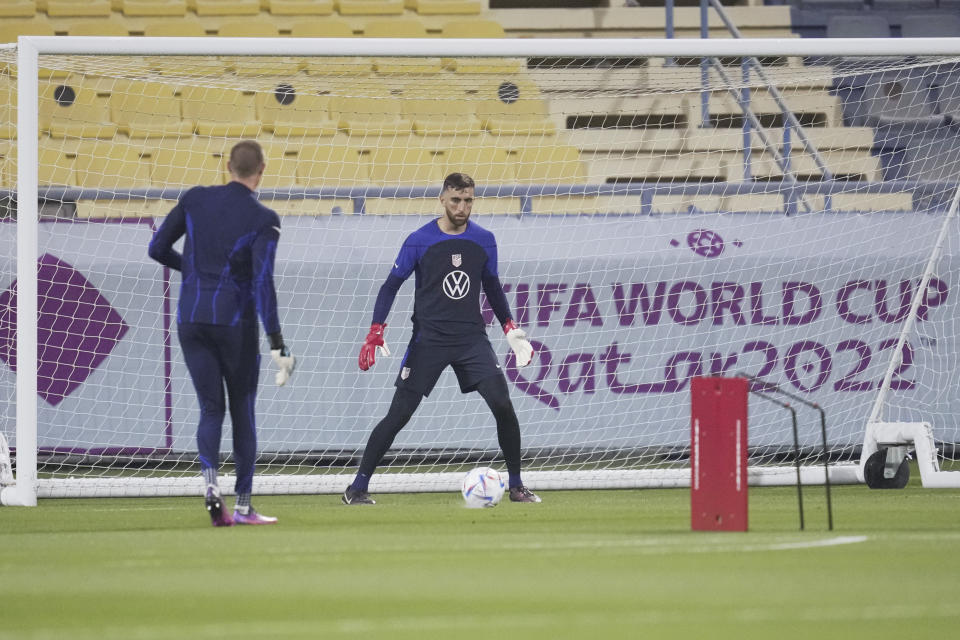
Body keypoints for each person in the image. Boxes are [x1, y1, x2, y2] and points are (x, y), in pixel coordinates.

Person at [343, 172, 541, 505]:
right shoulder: (419, 240)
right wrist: (376, 329)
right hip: (429, 339)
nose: (462, 207)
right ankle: (357, 487)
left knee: (503, 404)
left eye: (468, 201)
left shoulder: (485, 239)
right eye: (455, 200)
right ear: (442, 199)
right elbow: (390, 285)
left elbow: (492, 286)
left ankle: (517, 486)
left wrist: (509, 327)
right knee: (399, 414)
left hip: (471, 339)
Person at [148, 140, 295, 527]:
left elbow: (157, 247)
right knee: (242, 411)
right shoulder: (264, 218)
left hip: (190, 318)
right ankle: (244, 506)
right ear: (261, 170)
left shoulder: (195, 199)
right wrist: (277, 340)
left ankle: (211, 485)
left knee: (210, 408)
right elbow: (263, 283)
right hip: (235, 323)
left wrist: (192, 272)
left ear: (226, 165)